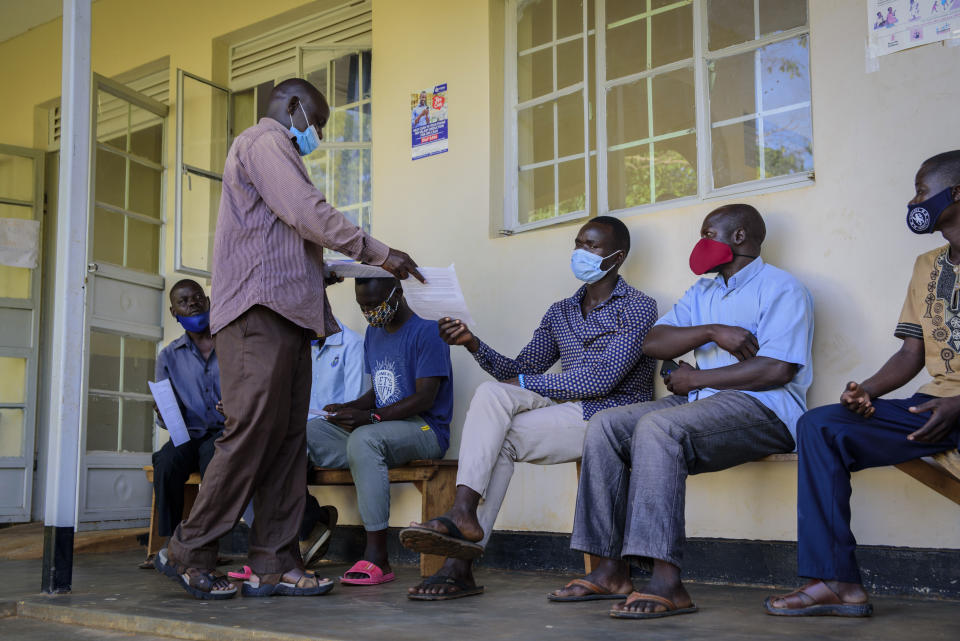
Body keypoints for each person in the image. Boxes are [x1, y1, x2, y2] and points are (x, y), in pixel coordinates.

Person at [155, 78, 423, 600]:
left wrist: (322, 270)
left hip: (290, 318)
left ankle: (274, 563)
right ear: (294, 107)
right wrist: (379, 253)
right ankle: (189, 551)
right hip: (259, 316)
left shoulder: (273, 152)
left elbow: (280, 239)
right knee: (252, 432)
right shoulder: (265, 143)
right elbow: (307, 213)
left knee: (285, 442)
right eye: (317, 122)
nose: (316, 134)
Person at [550, 204, 814, 619]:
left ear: (739, 237)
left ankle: (667, 582)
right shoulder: (704, 291)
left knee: (658, 426)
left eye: (709, 233)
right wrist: (712, 332)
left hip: (766, 409)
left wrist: (701, 378)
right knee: (605, 425)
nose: (701, 242)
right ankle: (610, 570)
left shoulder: (783, 288)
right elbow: (654, 342)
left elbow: (777, 369)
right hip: (699, 405)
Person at [400, 216, 659, 600]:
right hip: (569, 412)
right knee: (492, 399)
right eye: (577, 243)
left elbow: (601, 381)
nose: (580, 253)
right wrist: (472, 343)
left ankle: (459, 560)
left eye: (592, 246)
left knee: (500, 424)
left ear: (617, 257)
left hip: (612, 415)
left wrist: (526, 383)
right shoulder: (561, 312)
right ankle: (463, 523)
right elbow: (519, 370)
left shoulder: (638, 308)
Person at [765, 152, 960, 617]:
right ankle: (835, 582)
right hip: (931, 409)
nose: (914, 202)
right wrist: (867, 391)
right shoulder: (926, 265)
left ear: (955, 193)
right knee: (821, 427)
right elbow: (912, 354)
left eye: (921, 191)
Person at [306, 277, 452, 585]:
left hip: (425, 429)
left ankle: (377, 556)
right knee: (305, 432)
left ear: (397, 293)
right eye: (363, 305)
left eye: (376, 304)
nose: (370, 312)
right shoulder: (374, 333)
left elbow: (425, 397)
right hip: (382, 425)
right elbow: (381, 391)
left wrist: (368, 417)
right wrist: (348, 408)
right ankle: (295, 534)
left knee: (364, 439)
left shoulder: (428, 331)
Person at [140, 279, 224, 570]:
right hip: (188, 432)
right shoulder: (168, 355)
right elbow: (165, 405)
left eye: (197, 298)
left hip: (225, 432)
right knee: (165, 461)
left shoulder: (230, 343)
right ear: (174, 312)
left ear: (208, 301)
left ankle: (203, 541)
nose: (193, 305)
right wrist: (162, 412)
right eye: (184, 302)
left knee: (213, 458)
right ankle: (170, 541)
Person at [299, 317, 367, 568]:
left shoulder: (352, 344)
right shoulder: (300, 345)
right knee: (265, 444)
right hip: (306, 438)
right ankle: (310, 521)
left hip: (342, 437)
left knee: (289, 442)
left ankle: (301, 531)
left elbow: (353, 414)